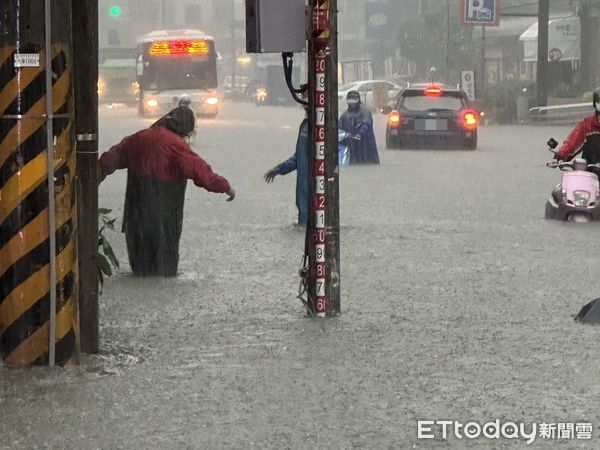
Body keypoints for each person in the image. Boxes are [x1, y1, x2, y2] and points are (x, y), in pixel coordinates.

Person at [99, 106, 235, 277]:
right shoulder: (176, 145)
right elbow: (200, 172)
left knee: (140, 269)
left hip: (135, 214)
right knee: (164, 270)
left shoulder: (138, 138)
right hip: (164, 215)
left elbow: (111, 158)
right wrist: (225, 187)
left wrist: (92, 178)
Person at [264, 107, 309, 227]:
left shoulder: (321, 127)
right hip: (304, 198)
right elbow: (299, 158)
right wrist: (278, 169)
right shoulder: (305, 125)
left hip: (313, 195)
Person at [554, 87, 600, 174]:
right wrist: (559, 157)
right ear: (595, 103)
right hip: (588, 174)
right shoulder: (588, 124)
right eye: (599, 101)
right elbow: (572, 142)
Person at [339, 90, 380, 165]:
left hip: (365, 143)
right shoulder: (345, 115)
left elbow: (367, 124)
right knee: (353, 162)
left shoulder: (365, 112)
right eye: (350, 103)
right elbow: (340, 128)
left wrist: (360, 133)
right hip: (350, 143)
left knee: (367, 162)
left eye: (354, 102)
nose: (352, 105)